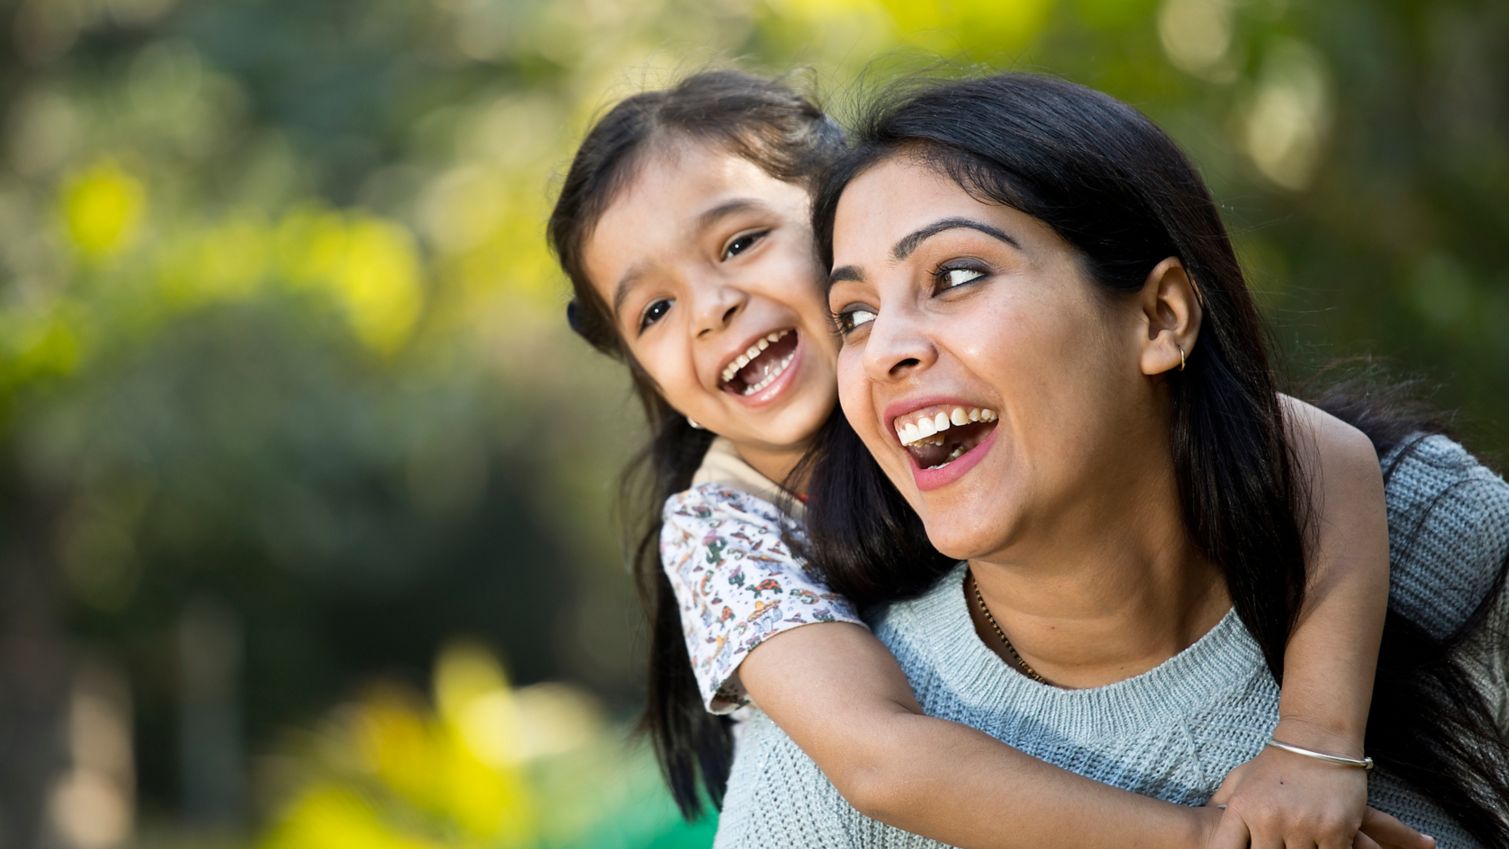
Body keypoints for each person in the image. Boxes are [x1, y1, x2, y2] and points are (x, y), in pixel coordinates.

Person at [547, 70, 1437, 848]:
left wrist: (1313, 741)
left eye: (739, 244)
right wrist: (1201, 838)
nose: (708, 308)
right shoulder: (723, 529)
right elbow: (877, 758)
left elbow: (1317, 446)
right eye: (652, 312)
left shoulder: (938, 372)